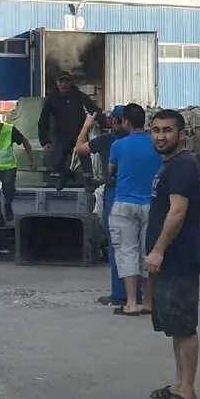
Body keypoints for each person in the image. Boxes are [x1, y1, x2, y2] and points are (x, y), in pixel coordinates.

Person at [146, 109, 200, 399]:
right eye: (155, 130)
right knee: (173, 325)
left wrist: (158, 250)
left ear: (181, 134)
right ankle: (179, 383)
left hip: (179, 257)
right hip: (170, 259)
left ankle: (189, 392)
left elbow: (177, 211)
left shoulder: (182, 165)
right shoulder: (170, 165)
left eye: (167, 130)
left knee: (184, 325)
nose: (160, 136)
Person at [106, 104, 160, 316]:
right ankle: (147, 302)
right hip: (152, 204)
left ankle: (130, 303)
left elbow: (111, 171)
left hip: (124, 204)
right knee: (148, 253)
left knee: (127, 251)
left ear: (126, 121)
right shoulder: (155, 143)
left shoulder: (119, 145)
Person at [77, 106, 130, 306]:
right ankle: (141, 295)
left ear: (114, 122)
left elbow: (80, 148)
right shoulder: (148, 141)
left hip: (116, 193)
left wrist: (86, 126)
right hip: (143, 195)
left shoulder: (107, 141)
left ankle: (120, 293)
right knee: (139, 245)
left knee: (117, 244)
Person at [38, 72, 100, 189]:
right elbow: (43, 120)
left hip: (79, 135)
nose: (63, 84)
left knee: (84, 157)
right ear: (57, 83)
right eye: (61, 82)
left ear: (70, 83)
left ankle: (88, 181)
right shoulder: (52, 99)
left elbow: (93, 109)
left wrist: (103, 122)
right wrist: (45, 141)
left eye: (66, 81)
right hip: (62, 136)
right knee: (55, 162)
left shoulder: (78, 95)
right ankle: (66, 175)